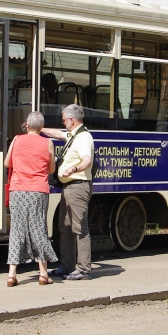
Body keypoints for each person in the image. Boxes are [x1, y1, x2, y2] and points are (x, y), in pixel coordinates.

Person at [4, 111, 58, 286]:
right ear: (41, 127)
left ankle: (12, 274)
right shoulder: (47, 143)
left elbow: (7, 163)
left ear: (27, 125)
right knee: (39, 229)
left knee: (17, 231)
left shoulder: (17, 140)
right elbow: (51, 170)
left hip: (17, 190)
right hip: (38, 191)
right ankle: (43, 273)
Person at [42, 104, 95, 280]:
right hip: (68, 188)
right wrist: (38, 128)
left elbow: (87, 160)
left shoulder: (84, 138)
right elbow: (57, 134)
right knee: (65, 227)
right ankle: (67, 266)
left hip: (78, 186)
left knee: (80, 228)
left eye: (64, 120)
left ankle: (84, 269)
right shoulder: (73, 135)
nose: (63, 123)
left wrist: (73, 169)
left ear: (72, 120)